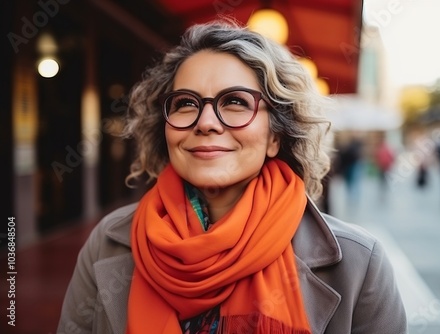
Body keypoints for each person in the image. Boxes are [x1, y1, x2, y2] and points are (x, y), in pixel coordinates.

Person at [57, 20, 407, 334]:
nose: (205, 122)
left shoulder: (359, 263)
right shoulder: (109, 241)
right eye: (186, 103)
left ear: (275, 136)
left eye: (236, 102)